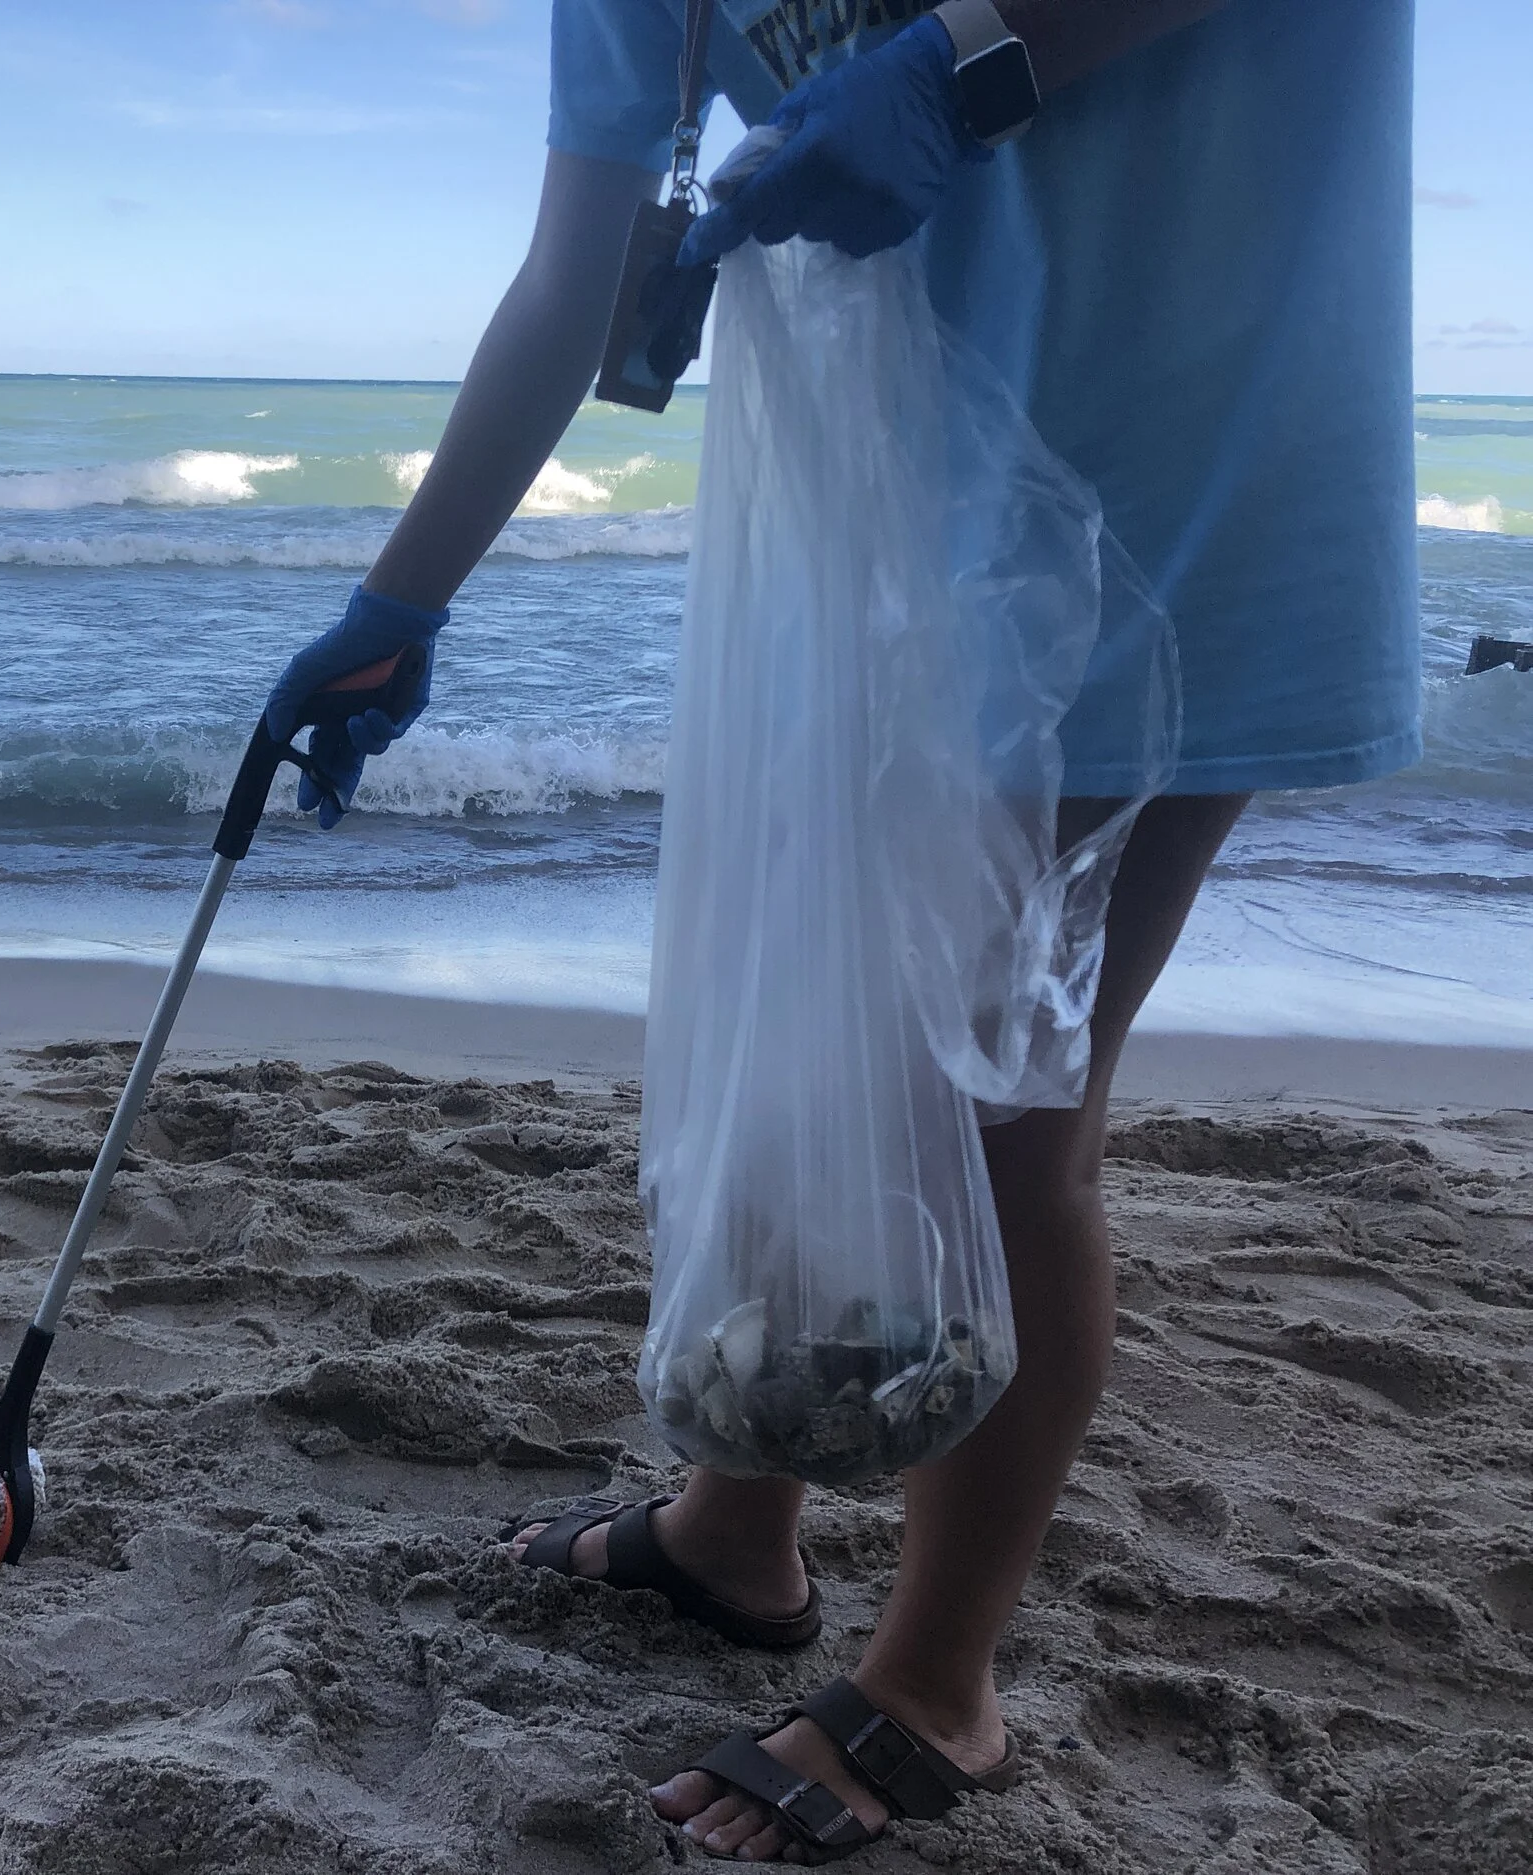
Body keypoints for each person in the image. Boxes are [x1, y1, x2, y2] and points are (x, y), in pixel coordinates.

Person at [261, 0, 1419, 1862]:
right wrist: (403, 596)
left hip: (1185, 468)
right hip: (879, 520)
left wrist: (978, 56)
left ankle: (939, 1683)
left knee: (999, 1096)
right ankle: (739, 1527)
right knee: (813, 1040)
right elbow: (582, 268)